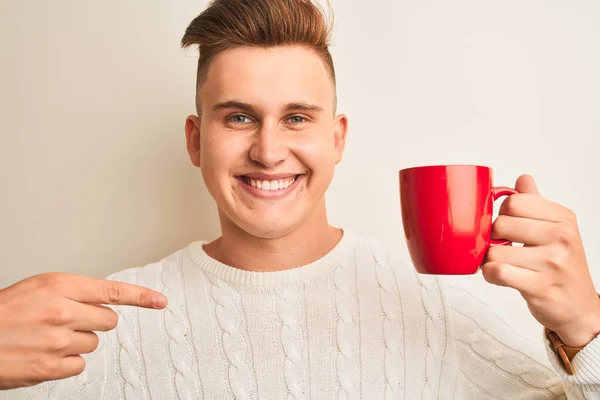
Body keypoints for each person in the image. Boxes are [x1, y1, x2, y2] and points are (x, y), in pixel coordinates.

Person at [1, 0, 599, 398]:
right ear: (195, 140)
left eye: (295, 118)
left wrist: (586, 328)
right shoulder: (103, 327)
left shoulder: (434, 309)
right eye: (238, 117)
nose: (267, 150)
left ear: (337, 139)